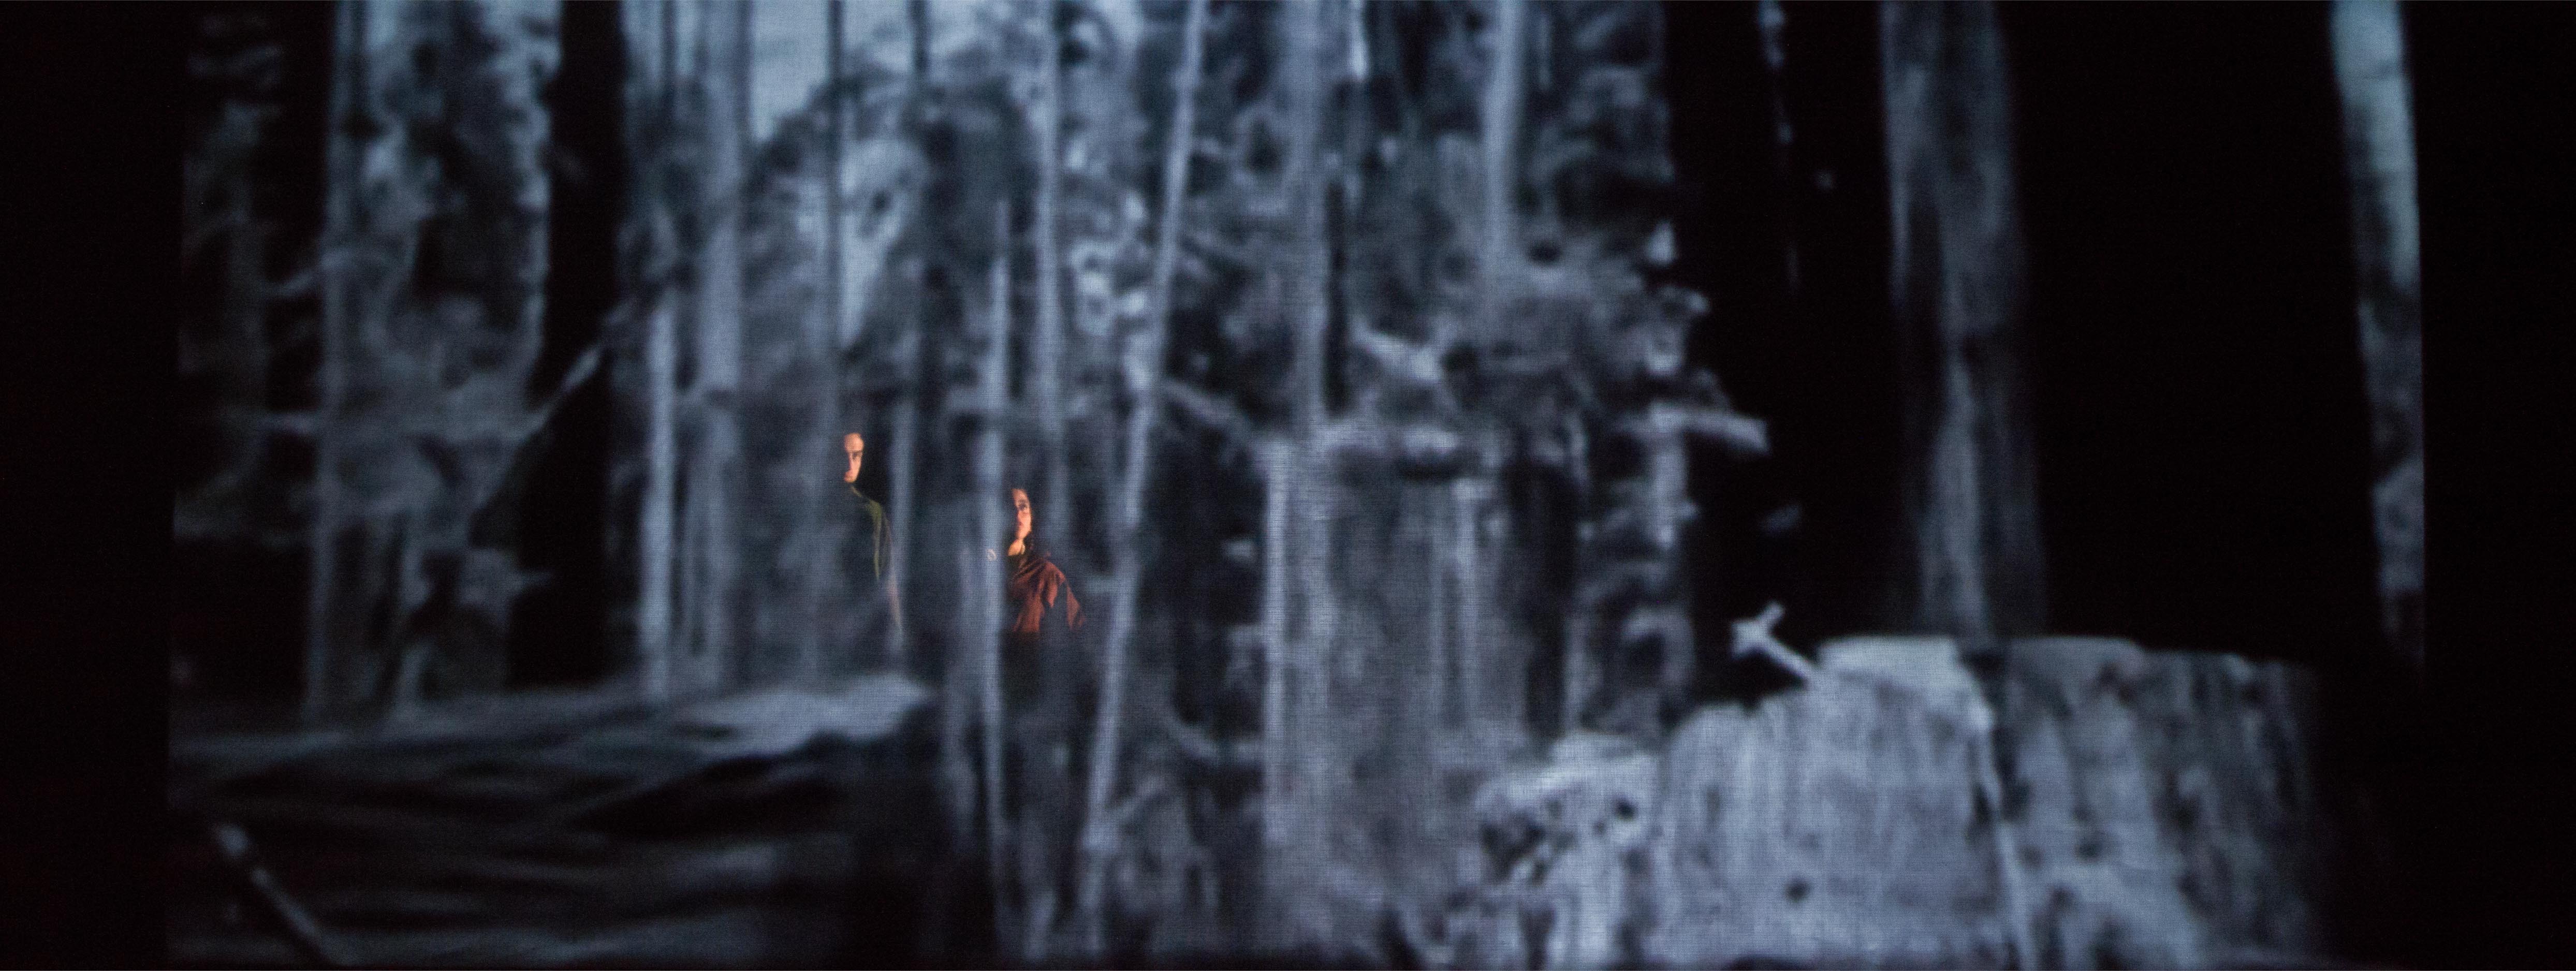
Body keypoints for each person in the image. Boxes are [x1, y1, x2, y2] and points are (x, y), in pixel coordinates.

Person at [991, 486, 1084, 937]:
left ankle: (1050, 899)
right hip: (1027, 727)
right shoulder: (1009, 601)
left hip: (1051, 728)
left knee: (1050, 811)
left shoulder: (1060, 589)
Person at [843, 432, 903, 648]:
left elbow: (886, 574)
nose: (850, 464)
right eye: (844, 455)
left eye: (856, 456)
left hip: (860, 626)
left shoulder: (872, 511)